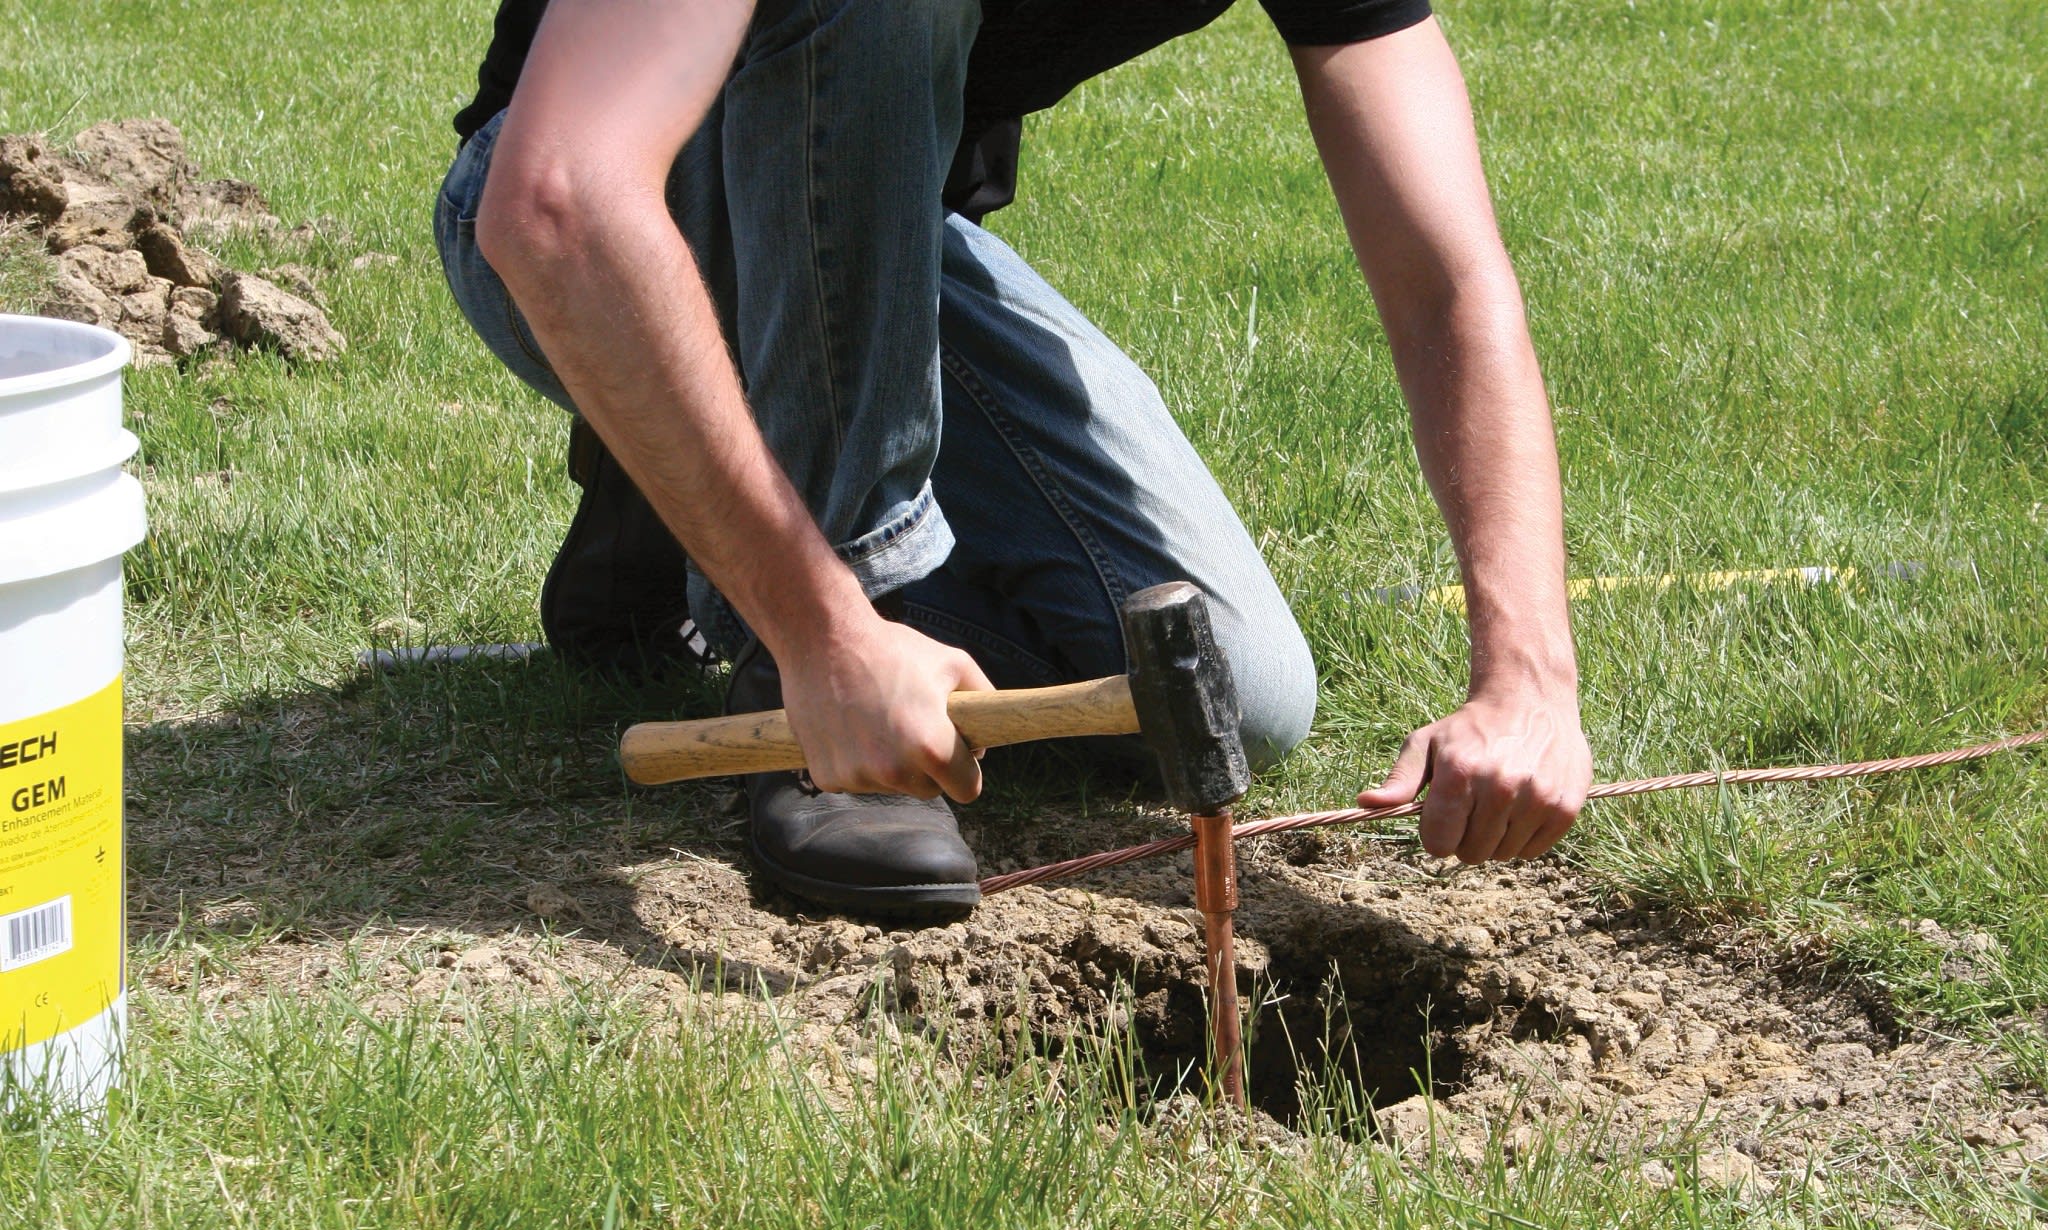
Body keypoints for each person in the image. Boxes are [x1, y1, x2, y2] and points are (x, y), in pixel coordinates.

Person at [435, 0, 1593, 920]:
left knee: (1235, 689)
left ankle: (687, 487)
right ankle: (815, 624)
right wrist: (823, 636)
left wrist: (1527, 683)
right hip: (601, 222)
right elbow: (556, 205)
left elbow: (1445, 283)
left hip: (861, 256)